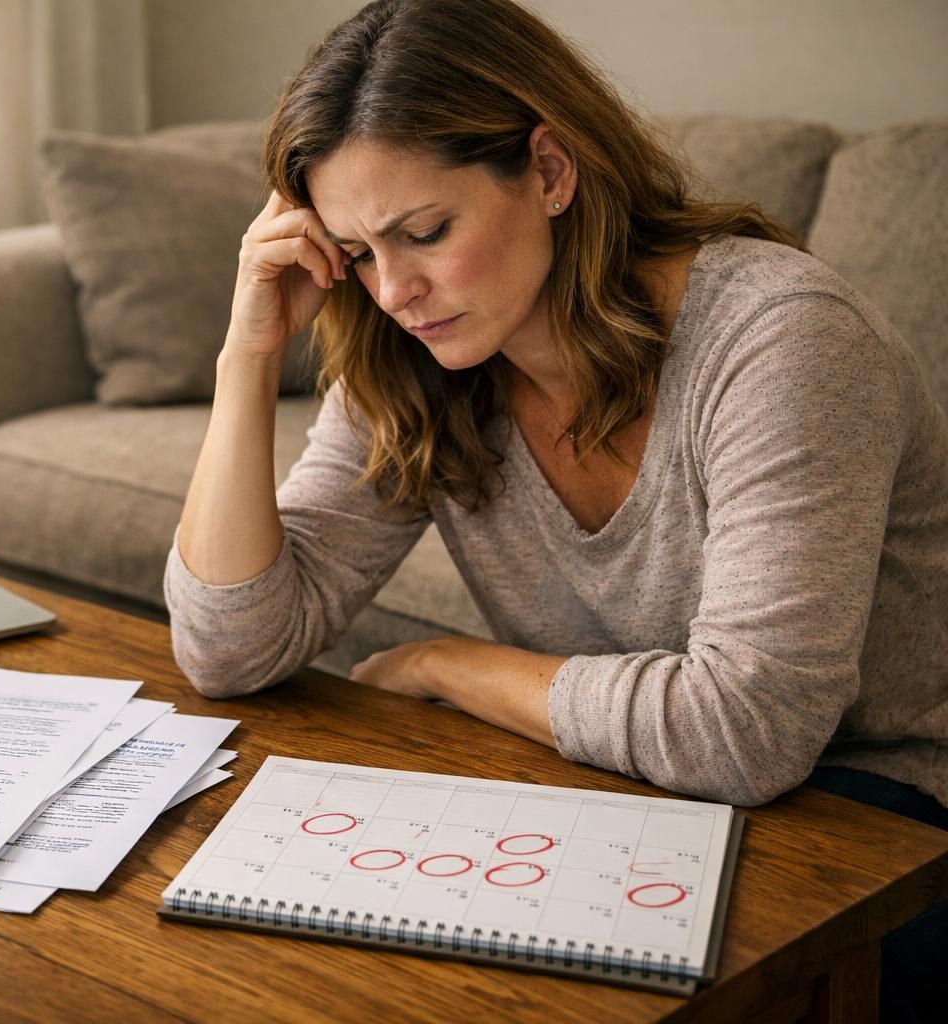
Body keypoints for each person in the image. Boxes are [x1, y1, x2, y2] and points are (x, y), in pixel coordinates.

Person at [163, 1, 948, 1018]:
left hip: (880, 820)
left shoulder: (783, 340)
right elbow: (230, 649)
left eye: (426, 231)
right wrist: (248, 355)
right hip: (627, 795)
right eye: (357, 253)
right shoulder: (419, 355)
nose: (394, 289)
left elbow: (748, 731)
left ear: (549, 169)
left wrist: (450, 661)